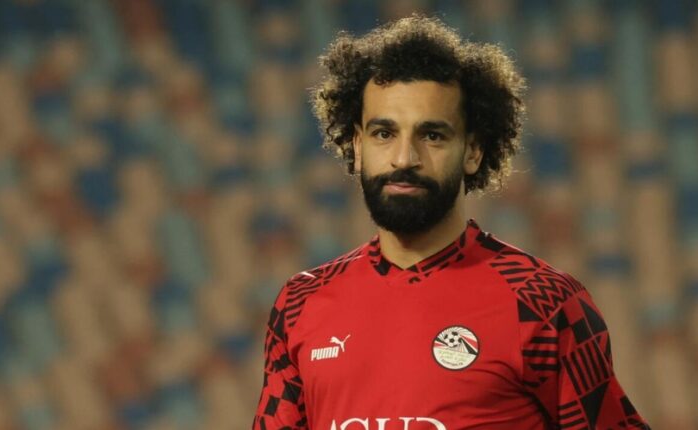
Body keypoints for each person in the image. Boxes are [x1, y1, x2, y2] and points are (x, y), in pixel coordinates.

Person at [253, 15, 649, 430]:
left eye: (432, 135)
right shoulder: (301, 303)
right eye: (384, 133)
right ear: (357, 144)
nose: (404, 158)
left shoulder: (545, 303)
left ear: (473, 151)